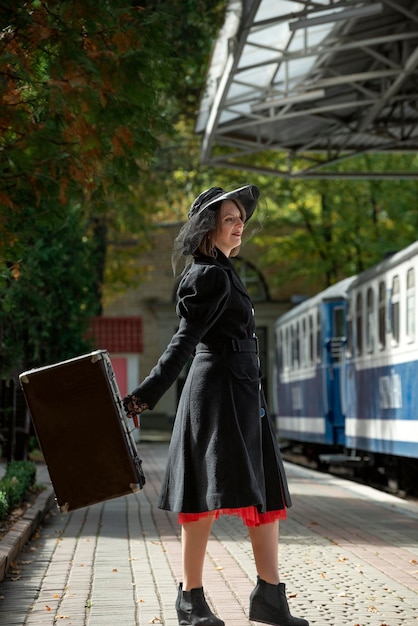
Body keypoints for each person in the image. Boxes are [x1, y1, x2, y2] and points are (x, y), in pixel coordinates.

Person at [123, 185, 309, 626]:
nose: (240, 223)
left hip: (242, 396)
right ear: (208, 228)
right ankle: (191, 599)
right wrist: (145, 396)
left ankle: (269, 596)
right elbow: (184, 342)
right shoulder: (207, 276)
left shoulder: (224, 271)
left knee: (263, 495)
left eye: (241, 217)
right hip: (217, 396)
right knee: (202, 496)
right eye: (230, 218)